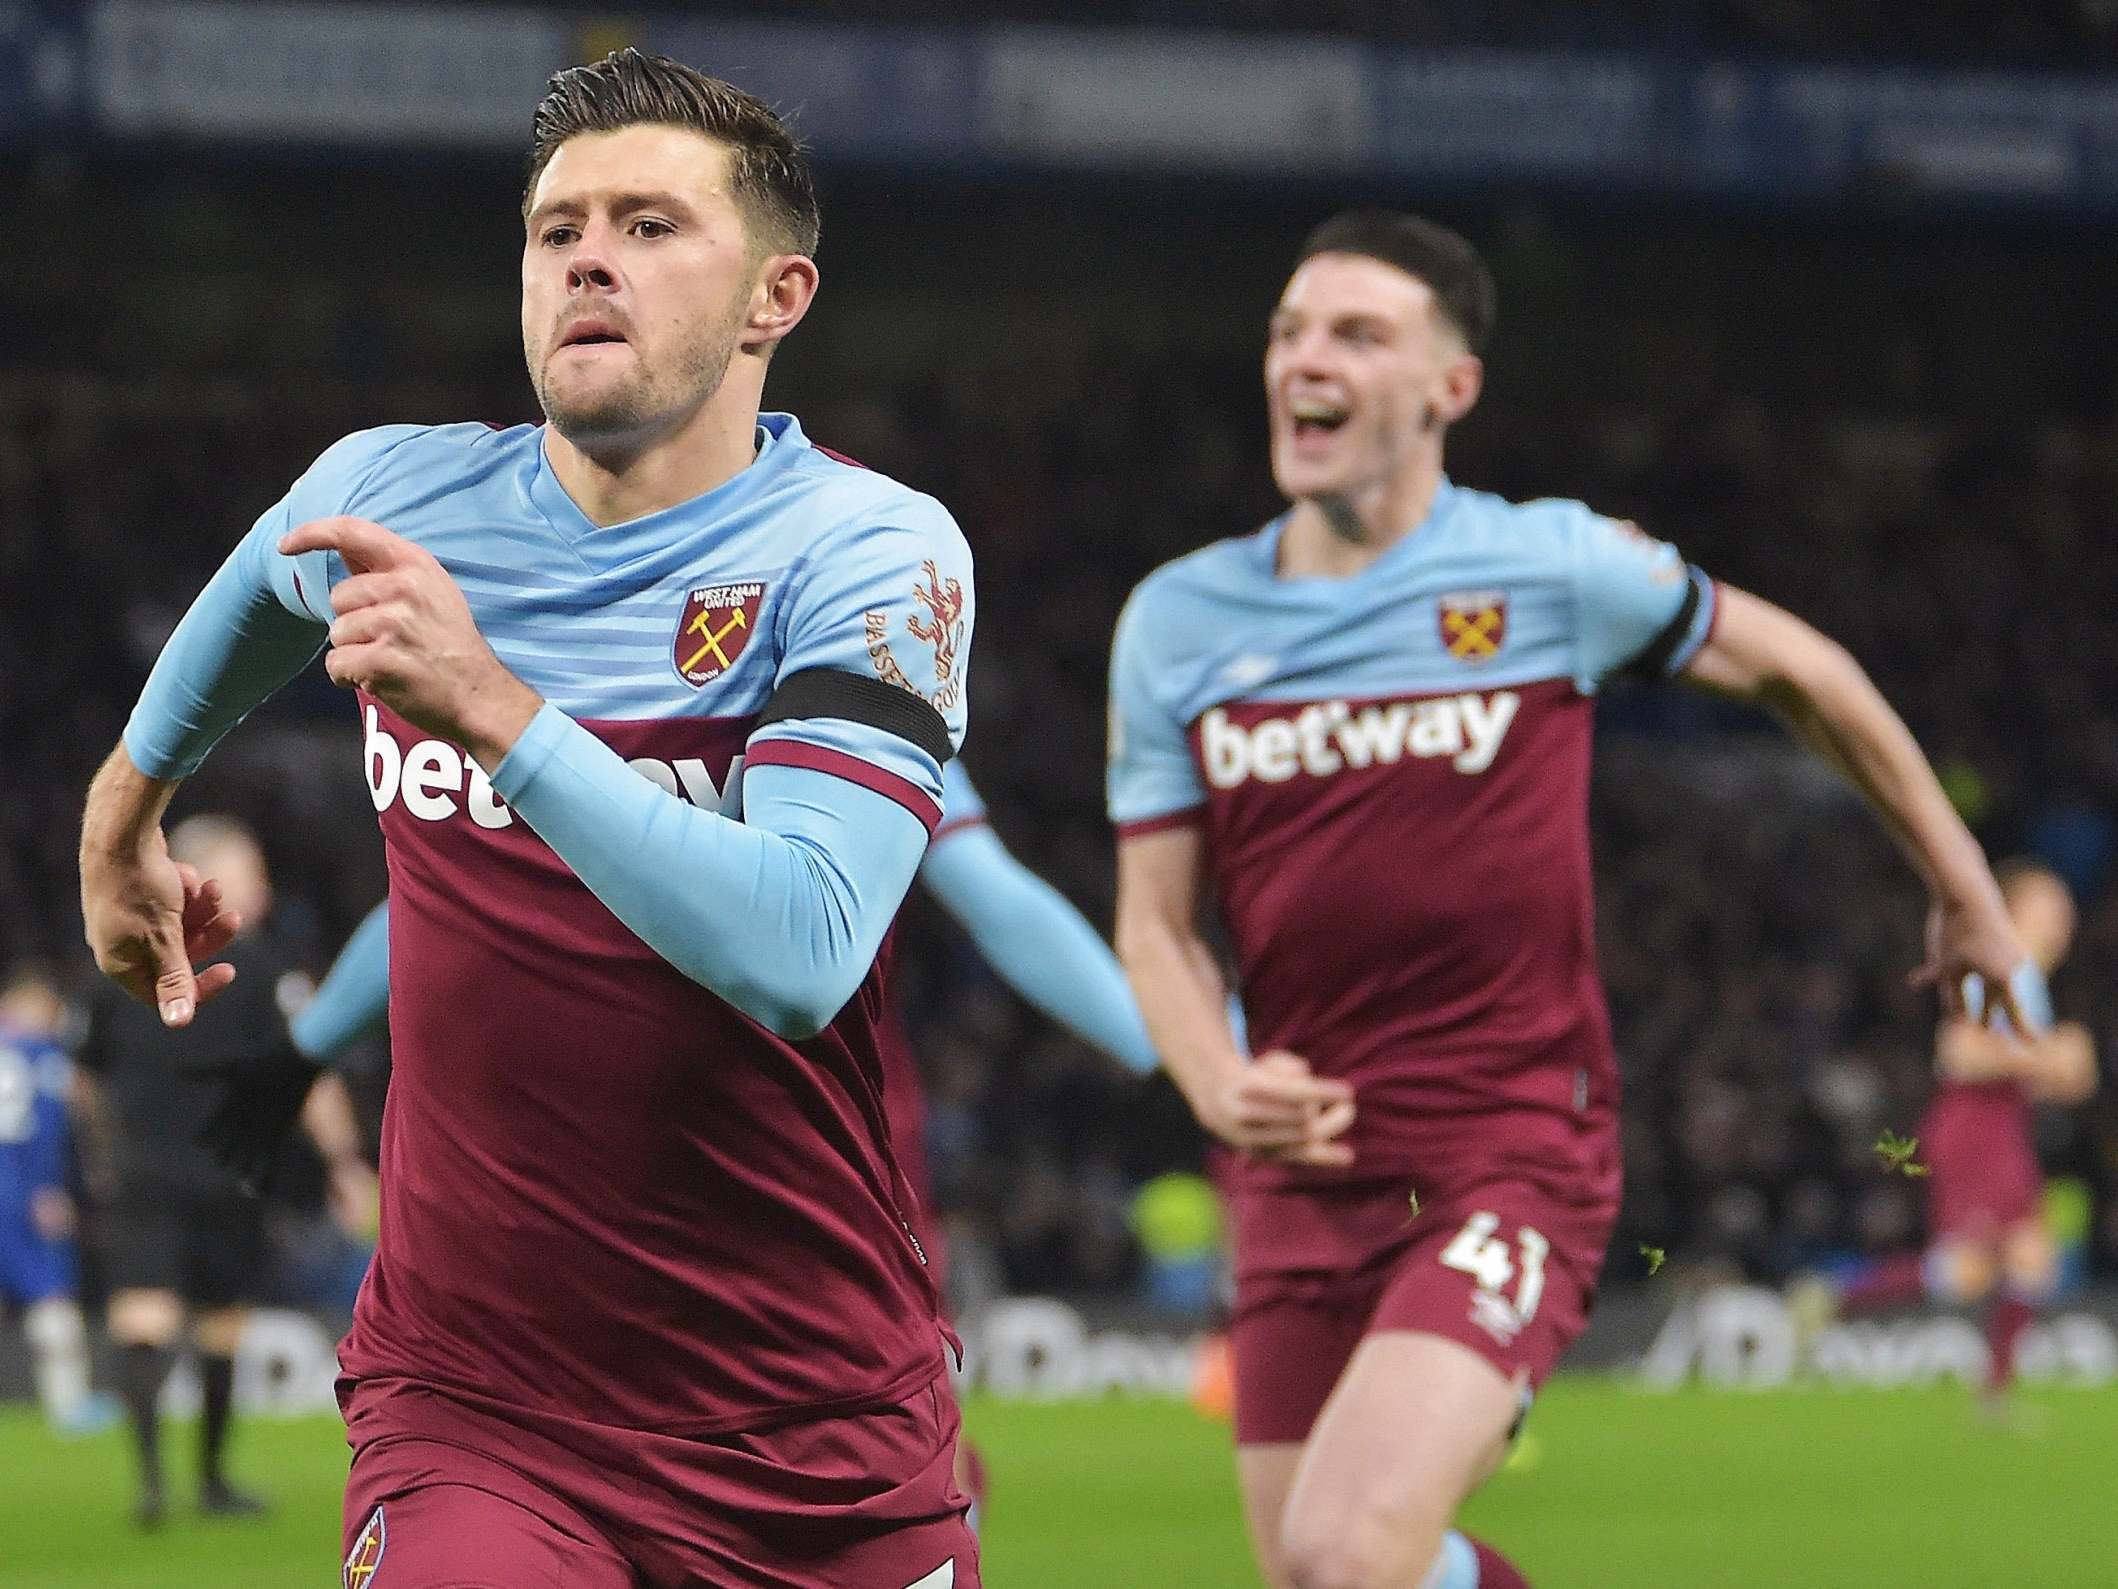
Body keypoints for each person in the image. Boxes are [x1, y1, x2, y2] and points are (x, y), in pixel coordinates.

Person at [80, 51, 981, 1589]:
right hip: (477, 1405)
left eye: (648, 224)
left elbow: (803, 946)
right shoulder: (391, 500)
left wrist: (496, 712)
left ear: (776, 297)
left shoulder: (869, 548)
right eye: (555, 225)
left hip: (809, 1424)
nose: (585, 254)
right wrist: (125, 809)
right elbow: (248, 606)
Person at [1105, 209, 2028, 1589]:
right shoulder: (1178, 621)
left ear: (1447, 388)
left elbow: (1804, 673)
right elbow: (1157, 921)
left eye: (1357, 333)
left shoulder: (1548, 567)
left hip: (1506, 1146)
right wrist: (1210, 1076)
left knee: (1345, 1553)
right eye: (1289, 329)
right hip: (1297, 1165)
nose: (1307, 357)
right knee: (1322, 1575)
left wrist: (1961, 887)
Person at [227, 755, 1161, 1521]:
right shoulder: (841, 692)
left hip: (702, 1184)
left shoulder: (592, 700)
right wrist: (1186, 1055)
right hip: (782, 1189)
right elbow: (998, 900)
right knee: (865, 1476)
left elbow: (425, 904)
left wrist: (299, 1053)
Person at [76, 815, 371, 1527]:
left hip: (152, 1172)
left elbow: (83, 1073)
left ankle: (158, 1484)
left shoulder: (122, 954)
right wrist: (344, 1162)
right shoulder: (265, 968)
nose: (262, 885)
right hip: (220, 1168)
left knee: (164, 1320)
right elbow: (311, 1071)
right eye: (248, 868)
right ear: (201, 874)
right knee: (215, 1324)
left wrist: (101, 1148)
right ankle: (202, 1481)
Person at [1800, 860, 2096, 1414]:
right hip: (1975, 1126)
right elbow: (1958, 1051)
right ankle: (1835, 1297)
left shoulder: (2029, 979)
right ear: (2011, 911)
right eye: (2050, 904)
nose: (2065, 917)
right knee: (1969, 1268)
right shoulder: (1997, 971)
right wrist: (2049, 1056)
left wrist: (2056, 1067)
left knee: (2027, 1258)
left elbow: (2042, 1073)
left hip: (2004, 1125)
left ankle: (1994, 1395)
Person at [0, 966, 112, 1436]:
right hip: (19, 1191)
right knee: (51, 1295)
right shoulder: (42, 1056)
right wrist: (48, 1188)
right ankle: (69, 1405)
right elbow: (46, 1131)